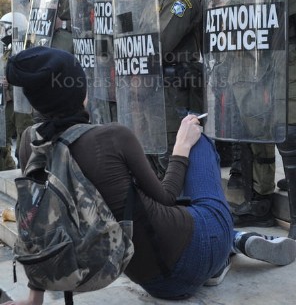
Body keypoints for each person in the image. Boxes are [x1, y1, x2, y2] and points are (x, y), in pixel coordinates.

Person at [3, 45, 296, 305]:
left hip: (147, 278)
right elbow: (167, 198)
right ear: (79, 91)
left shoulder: (31, 143)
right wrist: (182, 145)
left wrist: (33, 298)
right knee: (198, 141)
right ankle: (229, 241)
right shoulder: (112, 137)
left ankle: (230, 246)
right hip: (190, 258)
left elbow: (38, 228)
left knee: (177, 204)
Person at [179, 0, 277, 227]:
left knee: (257, 114)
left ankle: (258, 190)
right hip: (224, 34)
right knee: (237, 112)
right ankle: (245, 179)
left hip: (247, 33)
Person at [240, 0, 296, 238]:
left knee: (291, 133)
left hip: (289, 47)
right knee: (270, 128)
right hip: (267, 51)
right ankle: (265, 202)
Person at [125, 0, 203, 176]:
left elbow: (157, 43)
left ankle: (177, 213)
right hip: (154, 91)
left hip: (173, 93)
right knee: (153, 160)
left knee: (170, 159)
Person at [0, 13, 34, 170]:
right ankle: (7, 170)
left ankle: (24, 174)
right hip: (7, 103)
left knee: (24, 142)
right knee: (2, 138)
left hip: (23, 103)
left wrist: (11, 81)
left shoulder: (28, 51)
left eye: (3, 27)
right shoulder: (7, 52)